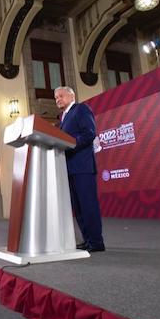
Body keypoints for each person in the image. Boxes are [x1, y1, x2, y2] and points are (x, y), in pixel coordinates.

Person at [54, 86, 105, 252]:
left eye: (61, 96)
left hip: (83, 167)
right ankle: (87, 239)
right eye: (56, 98)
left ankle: (96, 242)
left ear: (71, 95)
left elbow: (90, 133)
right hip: (69, 169)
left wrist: (69, 144)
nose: (58, 99)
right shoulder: (63, 117)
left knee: (88, 205)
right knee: (79, 208)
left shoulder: (81, 109)